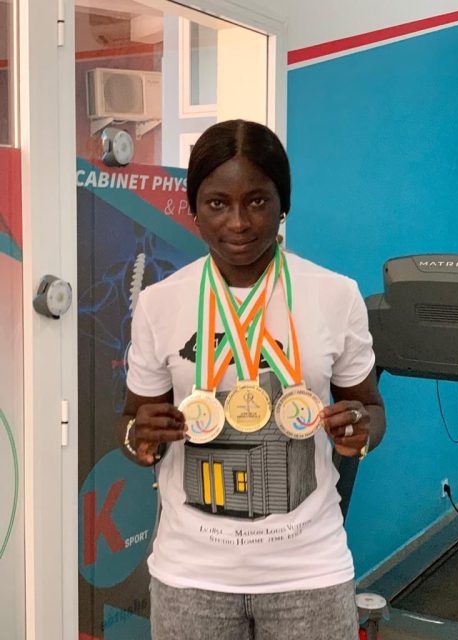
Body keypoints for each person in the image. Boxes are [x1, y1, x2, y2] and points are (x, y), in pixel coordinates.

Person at [119, 119, 386, 640]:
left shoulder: (335, 295)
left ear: (283, 204)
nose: (238, 223)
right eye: (218, 203)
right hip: (191, 575)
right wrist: (140, 437)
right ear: (194, 208)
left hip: (308, 571)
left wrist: (360, 430)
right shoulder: (159, 304)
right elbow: (133, 425)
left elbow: (371, 409)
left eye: (257, 201)